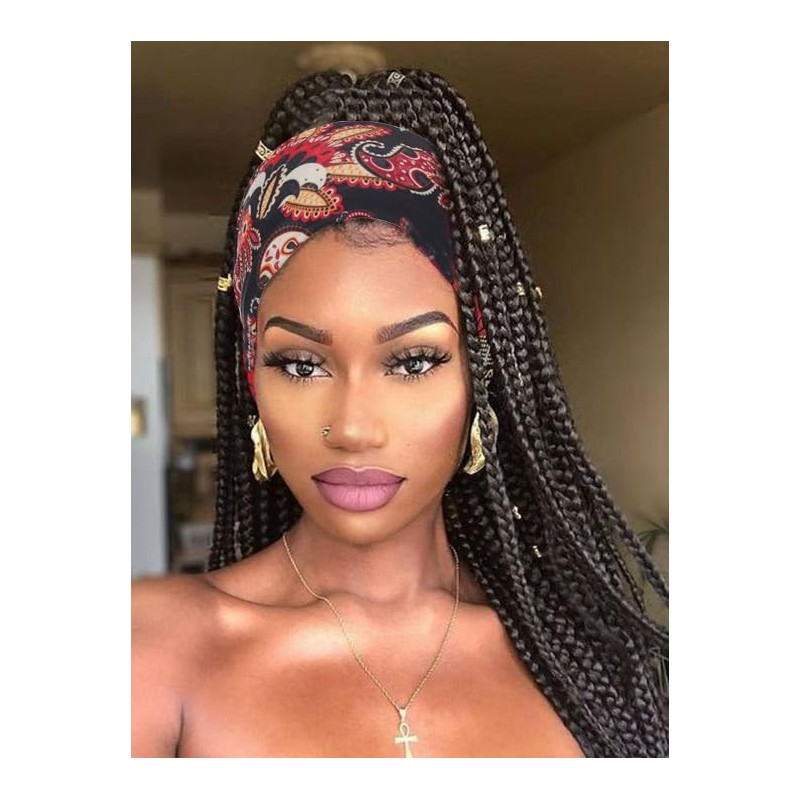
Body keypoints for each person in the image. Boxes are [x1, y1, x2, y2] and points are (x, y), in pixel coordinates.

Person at [132, 68, 668, 758]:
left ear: (480, 378)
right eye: (301, 364)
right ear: (252, 383)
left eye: (413, 362)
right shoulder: (151, 648)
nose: (354, 428)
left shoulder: (586, 660)